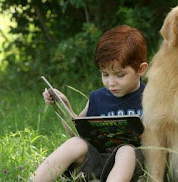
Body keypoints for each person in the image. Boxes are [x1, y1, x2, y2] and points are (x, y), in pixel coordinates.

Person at [32, 25, 148, 182]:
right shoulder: (97, 97)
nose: (111, 82)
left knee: (126, 151)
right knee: (75, 143)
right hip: (98, 161)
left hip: (134, 165)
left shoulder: (150, 98)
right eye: (105, 74)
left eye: (120, 75)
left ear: (141, 70)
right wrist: (65, 107)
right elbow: (77, 132)